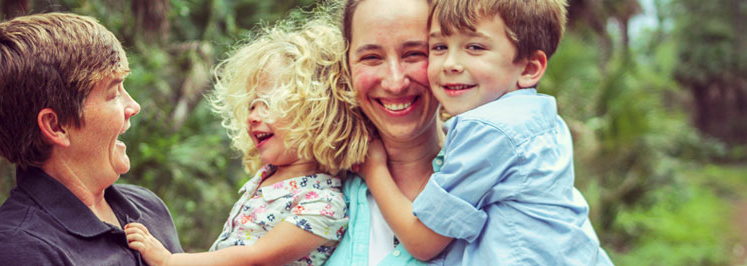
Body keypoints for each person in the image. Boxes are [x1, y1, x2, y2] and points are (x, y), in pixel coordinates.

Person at [359, 0, 614, 264]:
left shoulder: (487, 130)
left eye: (474, 47)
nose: (450, 64)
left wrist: (374, 169)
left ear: (529, 68)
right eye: (439, 47)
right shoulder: (541, 118)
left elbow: (423, 241)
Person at [123, 16, 371, 266]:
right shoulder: (267, 179)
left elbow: (253, 258)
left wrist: (169, 260)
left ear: (318, 115)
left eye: (270, 104)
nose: (253, 116)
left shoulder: (322, 201)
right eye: (252, 105)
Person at [0, 13, 182, 265]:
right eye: (113, 94)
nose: (133, 106)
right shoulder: (15, 249)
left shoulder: (148, 207)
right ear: (56, 126)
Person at [324, 0, 443, 265]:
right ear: (345, 66)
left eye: (414, 53)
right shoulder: (316, 188)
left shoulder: (488, 181)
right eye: (371, 58)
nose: (394, 82)